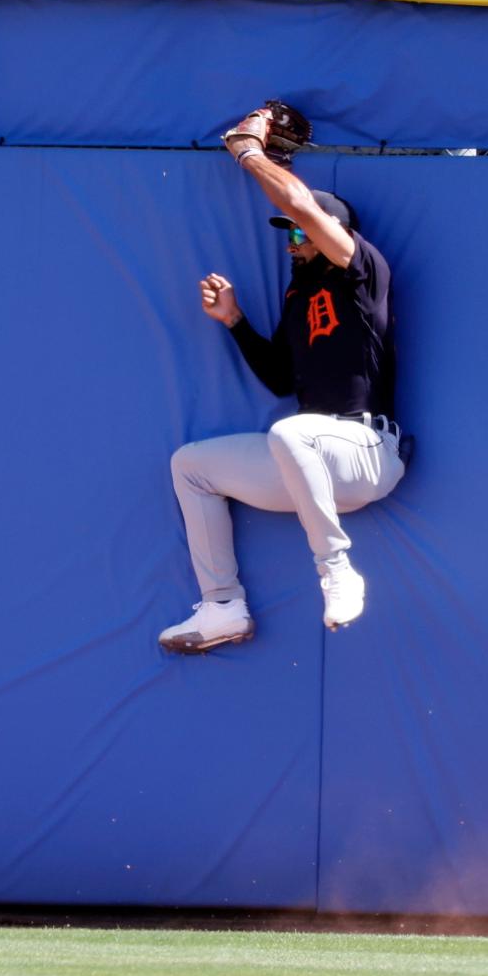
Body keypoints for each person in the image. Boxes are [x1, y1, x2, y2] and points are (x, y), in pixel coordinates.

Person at [158, 114, 406, 653]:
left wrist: (251, 154)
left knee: (293, 433)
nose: (291, 242)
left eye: (299, 234)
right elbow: (277, 379)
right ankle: (222, 605)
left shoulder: (362, 271)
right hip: (307, 463)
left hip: (366, 452)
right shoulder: (297, 300)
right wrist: (235, 322)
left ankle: (337, 570)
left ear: (328, 232)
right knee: (191, 466)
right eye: (289, 236)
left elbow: (300, 207)